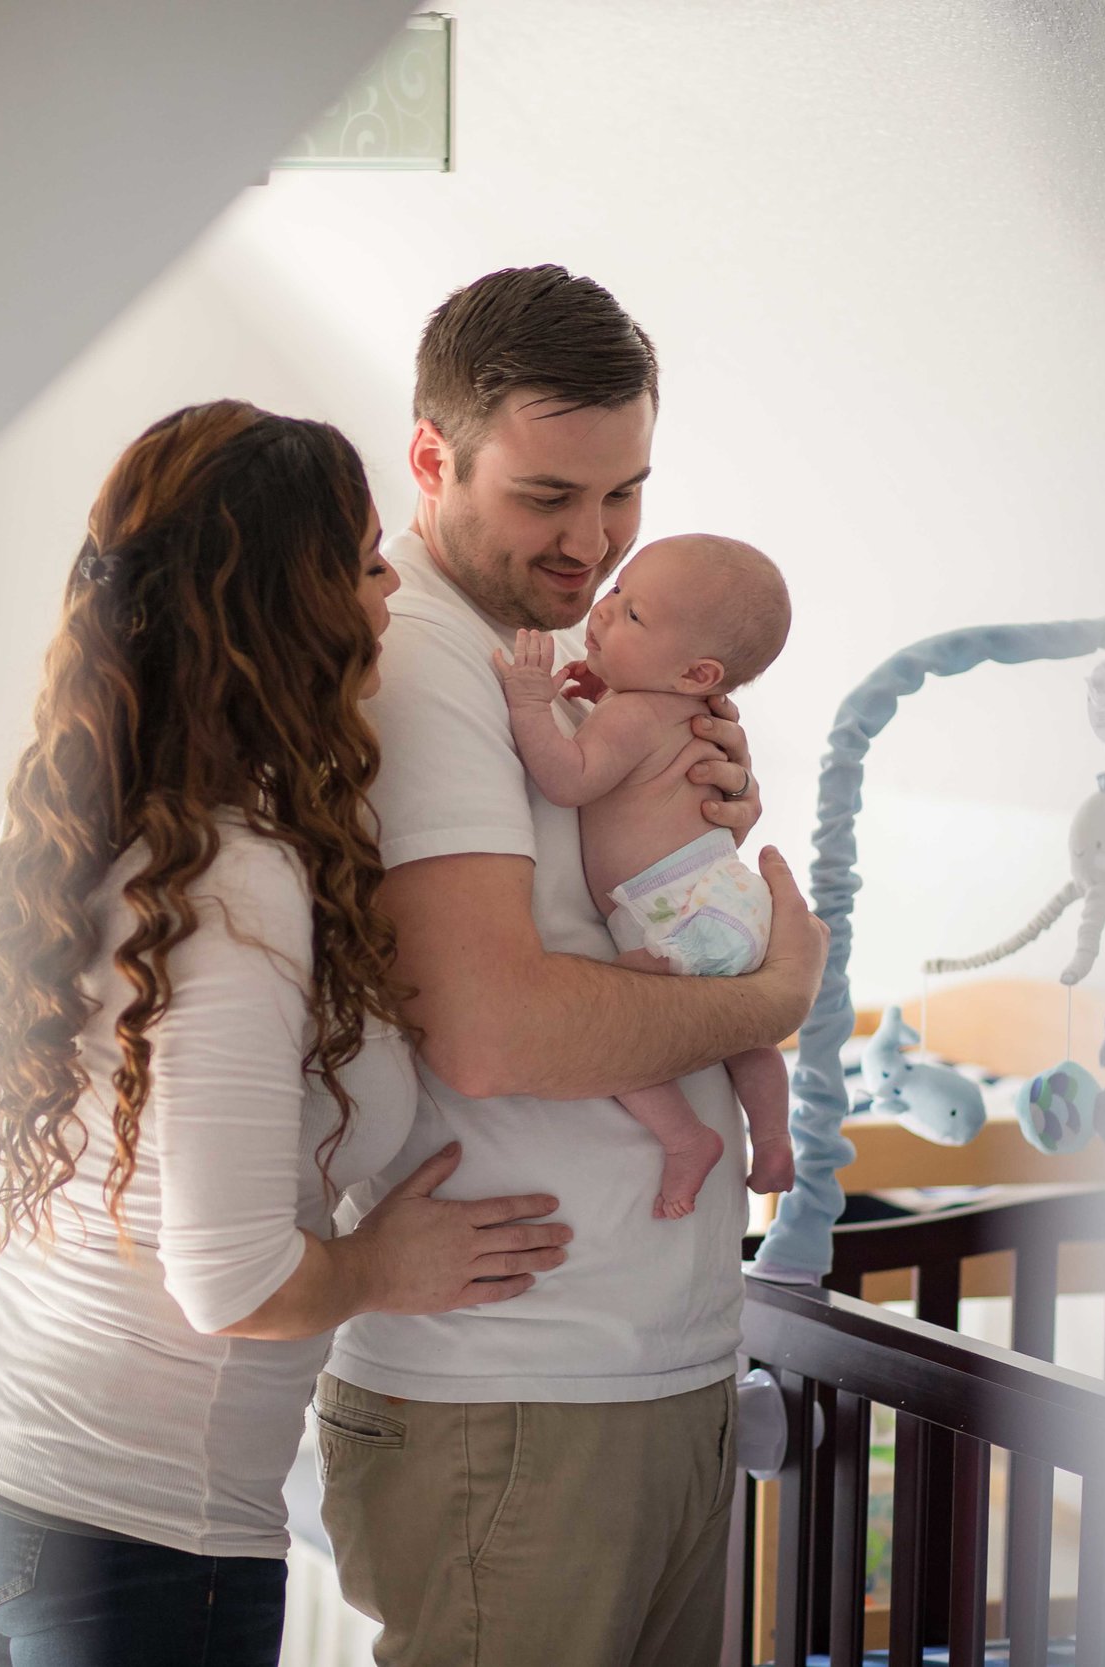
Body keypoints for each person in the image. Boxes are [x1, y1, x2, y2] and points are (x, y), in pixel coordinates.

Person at [0, 400, 576, 1667]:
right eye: (367, 558)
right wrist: (384, 1264)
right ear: (292, 604)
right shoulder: (233, 885)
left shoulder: (124, 814)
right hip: (123, 1527)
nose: (392, 587)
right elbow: (231, 1282)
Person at [316, 269, 829, 1666]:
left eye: (624, 494)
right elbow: (488, 1028)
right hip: (523, 1395)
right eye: (549, 497)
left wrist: (692, 813)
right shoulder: (426, 656)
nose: (592, 543)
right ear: (434, 457)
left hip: (636, 1361)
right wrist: (768, 997)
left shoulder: (545, 644)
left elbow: (593, 903)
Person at [493, 533, 798, 1219]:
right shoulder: (677, 710)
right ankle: (774, 1138)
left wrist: (531, 704)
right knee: (744, 1032)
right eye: (618, 590)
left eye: (633, 616)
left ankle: (685, 1138)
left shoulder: (632, 714)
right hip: (727, 896)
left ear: (696, 673)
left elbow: (568, 778)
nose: (603, 612)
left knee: (615, 1033)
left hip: (676, 911)